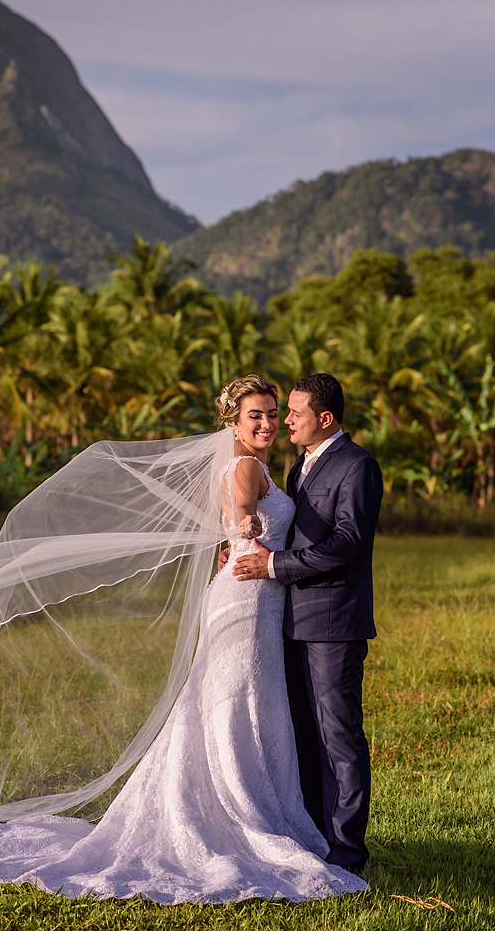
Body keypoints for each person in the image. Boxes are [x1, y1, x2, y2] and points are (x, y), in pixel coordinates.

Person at [0, 375, 368, 902]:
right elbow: (242, 513)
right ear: (232, 423)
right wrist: (241, 535)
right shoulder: (244, 466)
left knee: (252, 708)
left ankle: (269, 813)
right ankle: (236, 817)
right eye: (256, 415)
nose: (270, 422)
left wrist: (242, 546)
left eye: (273, 412)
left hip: (265, 598)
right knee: (232, 706)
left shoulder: (280, 465)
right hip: (248, 597)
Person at [232, 373, 382, 875]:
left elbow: (347, 543)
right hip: (290, 617)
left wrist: (273, 565)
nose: (283, 421)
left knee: (338, 735)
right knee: (301, 731)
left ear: (325, 418)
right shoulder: (300, 466)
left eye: (292, 413)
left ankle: (347, 851)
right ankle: (314, 832)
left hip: (334, 621)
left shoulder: (358, 466)